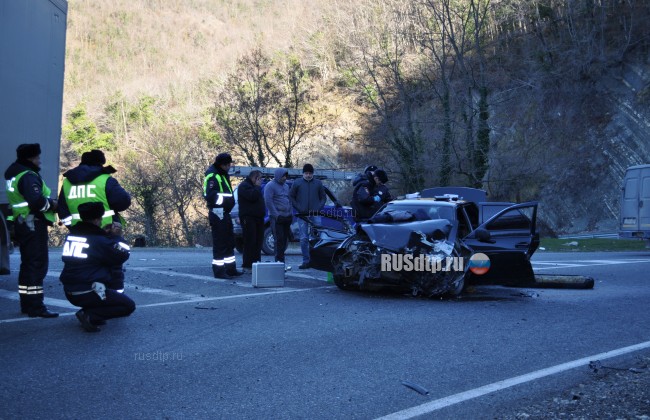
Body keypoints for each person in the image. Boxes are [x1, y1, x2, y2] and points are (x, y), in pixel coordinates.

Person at [57, 149, 131, 291]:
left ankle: (89, 294)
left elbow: (62, 210)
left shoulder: (67, 183)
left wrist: (72, 227)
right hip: (106, 230)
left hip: (79, 232)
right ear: (100, 163)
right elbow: (123, 202)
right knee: (113, 264)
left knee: (84, 266)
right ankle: (113, 297)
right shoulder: (105, 180)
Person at [60, 202, 136, 333]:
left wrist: (103, 234)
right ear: (97, 219)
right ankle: (89, 315)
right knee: (128, 306)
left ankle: (92, 313)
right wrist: (116, 236)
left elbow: (92, 244)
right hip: (88, 291)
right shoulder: (99, 241)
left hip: (70, 290)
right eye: (100, 218)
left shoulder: (72, 236)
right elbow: (123, 254)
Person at [3, 143, 59, 318]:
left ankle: (26, 304)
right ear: (31, 158)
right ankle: (36, 306)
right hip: (33, 224)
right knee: (37, 265)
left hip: (22, 224)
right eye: (37, 157)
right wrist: (53, 204)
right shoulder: (28, 176)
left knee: (27, 265)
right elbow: (37, 202)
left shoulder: (14, 175)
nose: (39, 161)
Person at [203, 153, 243, 279]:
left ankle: (230, 269)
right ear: (223, 164)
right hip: (217, 212)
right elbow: (210, 195)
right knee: (220, 243)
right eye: (229, 164)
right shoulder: (213, 175)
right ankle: (219, 271)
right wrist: (226, 201)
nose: (230, 166)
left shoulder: (222, 174)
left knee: (229, 241)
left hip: (224, 213)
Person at [289, 163, 326, 269]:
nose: (308, 175)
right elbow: (291, 196)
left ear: (313, 174)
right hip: (302, 215)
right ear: (303, 173)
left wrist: (318, 208)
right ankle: (306, 261)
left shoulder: (318, 183)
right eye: (306, 173)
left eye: (310, 173)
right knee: (304, 238)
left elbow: (323, 197)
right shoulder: (297, 183)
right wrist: (298, 208)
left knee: (317, 237)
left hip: (315, 214)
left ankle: (317, 261)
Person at [263, 168, 293, 268]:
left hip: (287, 217)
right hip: (277, 218)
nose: (285, 178)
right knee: (278, 240)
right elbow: (268, 201)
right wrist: (276, 215)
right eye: (283, 176)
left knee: (284, 240)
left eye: (286, 176)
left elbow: (289, 200)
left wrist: (290, 213)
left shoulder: (286, 186)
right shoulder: (270, 186)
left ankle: (282, 263)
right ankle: (278, 263)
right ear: (278, 175)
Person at [237, 170, 265, 269]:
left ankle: (256, 262)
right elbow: (252, 197)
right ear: (255, 178)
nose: (261, 180)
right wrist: (257, 187)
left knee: (258, 241)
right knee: (250, 241)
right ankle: (248, 264)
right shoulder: (244, 186)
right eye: (260, 178)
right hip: (249, 218)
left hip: (258, 218)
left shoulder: (254, 187)